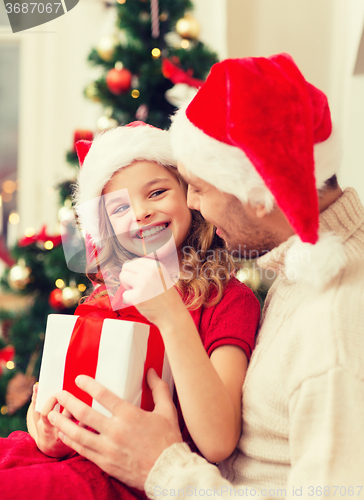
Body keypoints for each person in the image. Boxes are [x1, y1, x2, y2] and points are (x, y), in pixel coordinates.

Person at [48, 53, 364, 499]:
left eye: (198, 186)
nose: (192, 204)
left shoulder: (335, 330)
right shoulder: (300, 273)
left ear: (256, 196)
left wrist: (161, 468)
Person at [0, 123, 260, 499]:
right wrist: (50, 432)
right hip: (77, 459)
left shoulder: (228, 300)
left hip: (136, 477)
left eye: (157, 192)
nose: (140, 212)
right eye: (119, 207)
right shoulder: (104, 299)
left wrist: (171, 313)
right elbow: (69, 408)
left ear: (190, 195)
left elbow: (218, 441)